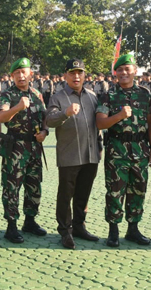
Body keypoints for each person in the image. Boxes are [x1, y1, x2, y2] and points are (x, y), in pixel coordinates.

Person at [96, 53, 151, 247]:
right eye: (120, 70)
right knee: (115, 191)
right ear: (116, 73)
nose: (124, 73)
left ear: (135, 71)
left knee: (138, 190)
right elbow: (100, 123)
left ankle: (133, 229)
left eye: (127, 69)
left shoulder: (145, 93)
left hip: (141, 150)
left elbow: (150, 123)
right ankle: (113, 230)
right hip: (117, 151)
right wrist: (119, 116)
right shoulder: (109, 95)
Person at [46, 59, 101, 249]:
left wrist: (99, 148)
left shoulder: (93, 97)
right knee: (66, 194)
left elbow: (98, 125)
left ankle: (79, 226)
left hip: (91, 154)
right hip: (70, 154)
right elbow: (50, 120)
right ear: (65, 76)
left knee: (83, 193)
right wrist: (65, 113)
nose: (76, 76)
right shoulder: (58, 97)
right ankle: (65, 231)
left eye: (80, 73)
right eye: (72, 73)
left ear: (85, 75)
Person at [0, 57, 49, 243]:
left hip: (35, 147)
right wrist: (17, 107)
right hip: (15, 147)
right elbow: (1, 117)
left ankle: (30, 220)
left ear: (30, 74)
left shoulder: (37, 94)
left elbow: (44, 116)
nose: (21, 75)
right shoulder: (8, 95)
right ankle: (11, 225)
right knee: (12, 186)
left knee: (34, 185)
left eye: (24, 72)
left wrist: (45, 131)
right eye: (17, 73)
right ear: (12, 76)